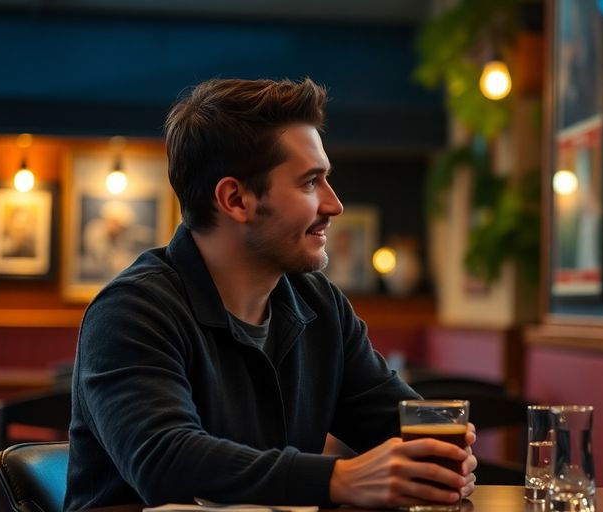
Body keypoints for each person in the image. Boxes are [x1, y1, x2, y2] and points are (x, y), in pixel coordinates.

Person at [66, 78, 477, 510]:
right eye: (310, 183)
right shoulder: (131, 310)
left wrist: (445, 450)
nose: (334, 205)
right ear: (235, 199)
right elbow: (164, 461)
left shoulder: (320, 305)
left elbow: (402, 422)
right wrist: (337, 478)